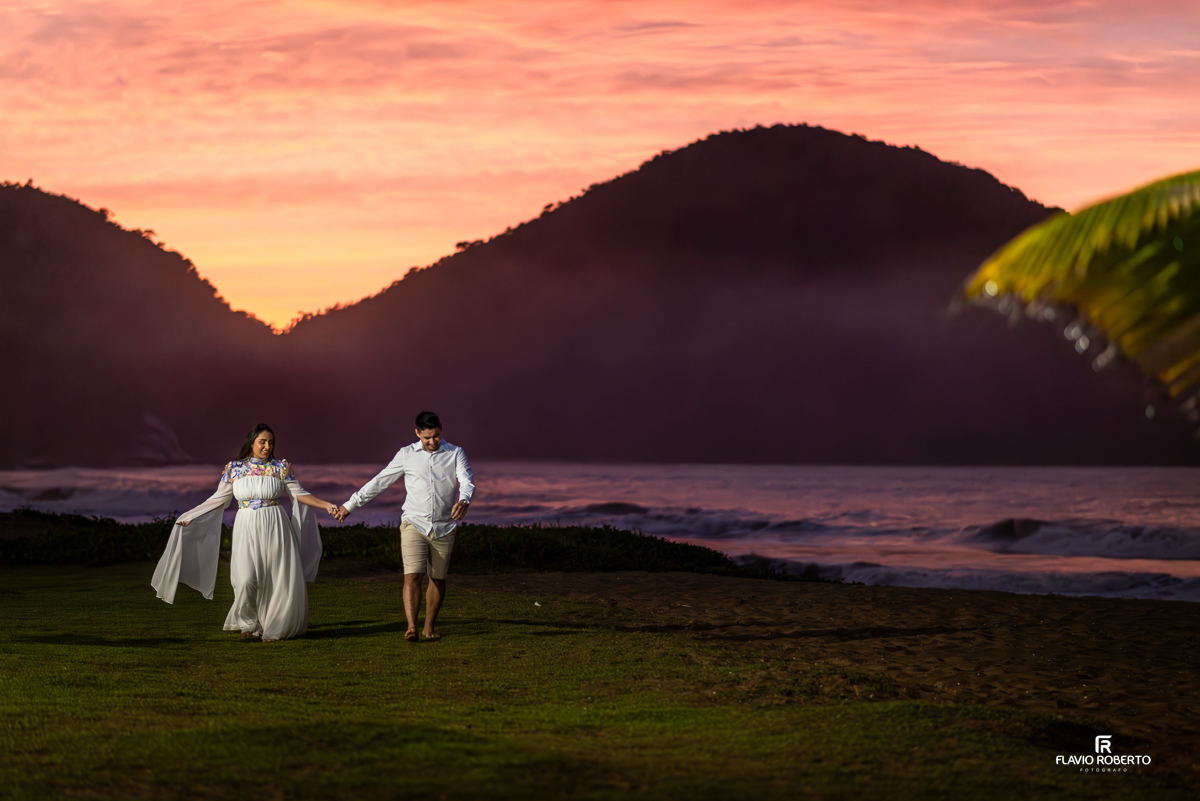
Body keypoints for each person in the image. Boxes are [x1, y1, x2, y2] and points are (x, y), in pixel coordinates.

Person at [151, 424, 340, 642]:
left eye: (271, 442)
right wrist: (192, 514)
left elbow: (299, 493)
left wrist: (326, 505)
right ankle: (248, 622)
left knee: (277, 576)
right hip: (246, 526)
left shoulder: (280, 467)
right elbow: (218, 498)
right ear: (252, 443)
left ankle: (275, 627)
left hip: (276, 525)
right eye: (263, 442)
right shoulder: (234, 468)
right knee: (245, 578)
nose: (267, 446)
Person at [334, 411, 474, 642]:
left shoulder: (455, 453)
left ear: (441, 429)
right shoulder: (406, 455)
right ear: (417, 433)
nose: (432, 442)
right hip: (413, 523)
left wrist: (464, 499)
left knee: (438, 578)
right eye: (427, 437)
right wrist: (350, 505)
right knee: (413, 576)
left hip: (444, 526)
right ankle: (411, 627)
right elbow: (380, 481)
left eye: (436, 436)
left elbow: (466, 479)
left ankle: (429, 627)